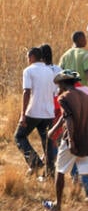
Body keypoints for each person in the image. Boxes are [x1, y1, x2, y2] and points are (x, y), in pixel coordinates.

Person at [43, 70, 88, 211]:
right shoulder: (84, 96)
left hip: (72, 140)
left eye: (59, 85)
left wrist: (71, 139)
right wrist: (54, 130)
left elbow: (68, 119)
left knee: (60, 170)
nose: (58, 88)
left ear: (63, 84)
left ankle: (57, 204)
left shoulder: (63, 98)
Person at [15, 47, 57, 176]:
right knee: (48, 143)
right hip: (49, 112)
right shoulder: (51, 71)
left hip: (33, 111)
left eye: (28, 57)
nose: (28, 60)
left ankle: (35, 163)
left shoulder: (29, 71)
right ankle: (50, 175)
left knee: (19, 136)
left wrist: (23, 114)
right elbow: (55, 92)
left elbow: (26, 91)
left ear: (32, 57)